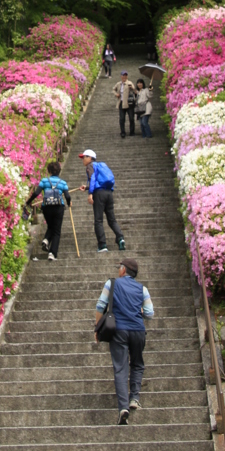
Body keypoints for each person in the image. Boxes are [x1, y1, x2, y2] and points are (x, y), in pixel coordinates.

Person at [95, 258, 154, 425]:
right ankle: (134, 398)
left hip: (118, 330)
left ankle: (123, 408)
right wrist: (139, 311)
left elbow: (100, 305)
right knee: (137, 363)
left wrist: (96, 327)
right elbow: (150, 313)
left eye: (119, 267)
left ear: (123, 270)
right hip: (138, 330)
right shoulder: (142, 289)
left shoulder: (112, 284)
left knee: (120, 367)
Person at [79, 149, 125, 253]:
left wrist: (90, 193)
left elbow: (93, 179)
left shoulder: (90, 166)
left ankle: (102, 245)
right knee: (112, 219)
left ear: (90, 158)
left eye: (84, 157)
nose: (83, 160)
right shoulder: (101, 165)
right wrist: (86, 187)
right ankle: (121, 238)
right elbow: (99, 181)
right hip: (108, 193)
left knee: (98, 220)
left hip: (99, 195)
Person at [23, 161, 71, 260]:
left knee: (51, 226)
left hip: (47, 207)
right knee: (56, 230)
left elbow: (36, 192)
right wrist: (69, 202)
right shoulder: (62, 183)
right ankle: (52, 253)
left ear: (49, 171)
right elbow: (67, 196)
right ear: (59, 171)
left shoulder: (44, 181)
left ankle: (46, 240)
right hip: (58, 207)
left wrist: (29, 202)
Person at [113, 71, 136, 138]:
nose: (124, 77)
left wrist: (131, 88)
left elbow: (134, 91)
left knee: (131, 118)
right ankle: (122, 132)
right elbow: (113, 89)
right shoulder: (119, 84)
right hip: (121, 103)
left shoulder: (129, 83)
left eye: (125, 76)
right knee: (122, 119)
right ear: (121, 76)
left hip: (129, 103)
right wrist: (116, 94)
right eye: (123, 76)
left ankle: (132, 131)